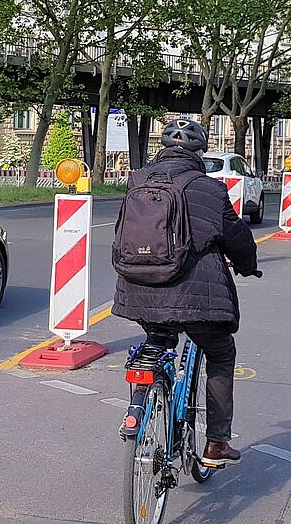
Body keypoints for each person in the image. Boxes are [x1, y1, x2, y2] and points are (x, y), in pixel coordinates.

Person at [113, 118, 259, 467]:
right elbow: (234, 236)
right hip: (196, 298)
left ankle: (141, 407)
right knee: (221, 354)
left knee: (157, 342)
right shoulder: (209, 189)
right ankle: (217, 444)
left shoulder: (136, 181)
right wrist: (248, 263)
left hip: (139, 289)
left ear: (160, 149)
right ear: (200, 152)